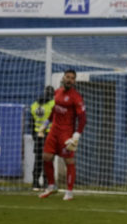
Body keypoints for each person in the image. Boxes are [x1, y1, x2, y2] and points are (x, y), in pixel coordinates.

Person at [38, 70, 86, 201]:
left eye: (72, 78)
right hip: (54, 131)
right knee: (46, 156)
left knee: (69, 161)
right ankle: (52, 185)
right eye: (68, 77)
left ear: (74, 81)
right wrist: (45, 124)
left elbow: (83, 119)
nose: (69, 80)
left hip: (66, 133)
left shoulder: (76, 97)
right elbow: (54, 110)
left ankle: (69, 191)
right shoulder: (57, 92)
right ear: (63, 78)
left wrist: (76, 135)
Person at [29, 86, 55, 190]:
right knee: (48, 159)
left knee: (38, 159)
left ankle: (35, 182)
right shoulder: (53, 104)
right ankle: (46, 182)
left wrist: (33, 135)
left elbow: (31, 122)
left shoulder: (34, 105)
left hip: (37, 134)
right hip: (49, 134)